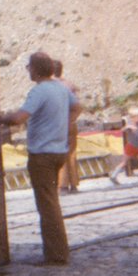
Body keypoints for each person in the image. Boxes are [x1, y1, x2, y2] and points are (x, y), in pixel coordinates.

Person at [1, 52, 80, 265]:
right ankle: (57, 252)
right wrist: (64, 124)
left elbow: (19, 118)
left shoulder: (38, 91)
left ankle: (56, 255)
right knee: (51, 202)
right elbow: (77, 107)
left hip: (42, 155)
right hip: (59, 151)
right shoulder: (61, 89)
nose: (27, 70)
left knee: (47, 205)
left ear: (35, 69)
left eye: (28, 67)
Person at [53, 59, 80, 193]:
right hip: (71, 123)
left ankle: (62, 185)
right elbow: (78, 106)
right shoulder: (70, 85)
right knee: (72, 153)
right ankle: (74, 184)